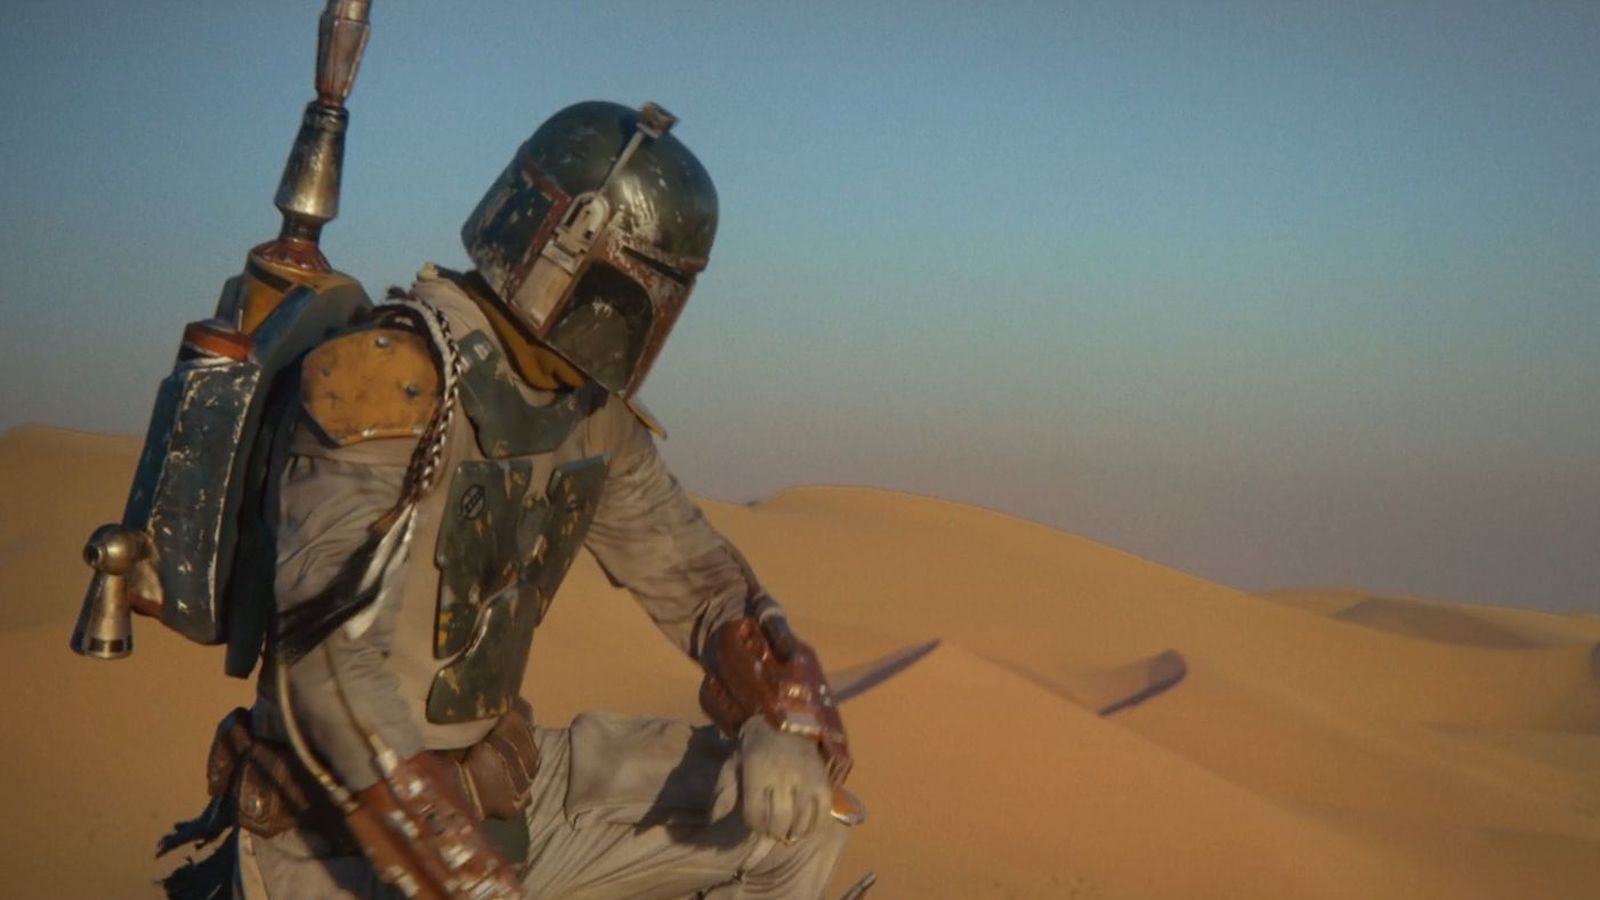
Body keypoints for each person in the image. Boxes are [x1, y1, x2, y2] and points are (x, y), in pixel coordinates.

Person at [183, 100, 855, 899]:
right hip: (338, 840)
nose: (638, 316)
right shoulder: (387, 380)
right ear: (562, 243)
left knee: (798, 822)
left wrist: (777, 717)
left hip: (501, 792)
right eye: (638, 283)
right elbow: (327, 665)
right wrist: (460, 868)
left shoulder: (591, 413)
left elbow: (695, 576)